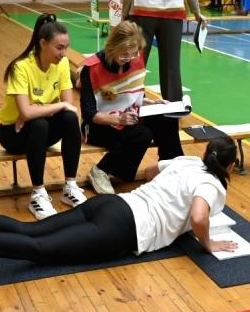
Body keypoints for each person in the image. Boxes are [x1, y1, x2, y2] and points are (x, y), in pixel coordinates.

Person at [0, 136, 241, 286]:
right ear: (229, 165)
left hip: (112, 203)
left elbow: (149, 171)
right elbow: (199, 216)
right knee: (38, 249)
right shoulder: (213, 185)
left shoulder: (187, 161)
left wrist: (165, 199)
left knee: (29, 230)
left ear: (206, 153)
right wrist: (207, 243)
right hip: (124, 229)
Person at [0, 13, 86, 220]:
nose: (64, 53)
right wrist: (52, 107)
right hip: (13, 133)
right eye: (59, 47)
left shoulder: (62, 64)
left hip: (39, 129)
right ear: (43, 43)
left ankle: (70, 187)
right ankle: (38, 194)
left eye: (66, 47)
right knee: (38, 123)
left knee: (69, 119)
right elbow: (26, 113)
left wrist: (39, 108)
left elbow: (69, 108)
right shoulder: (20, 67)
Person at [79, 21, 184, 195]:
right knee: (141, 134)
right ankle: (101, 170)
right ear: (113, 47)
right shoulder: (91, 68)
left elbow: (133, 95)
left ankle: (171, 168)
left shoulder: (137, 58)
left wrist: (152, 103)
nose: (129, 58)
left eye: (134, 53)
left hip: (128, 116)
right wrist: (118, 119)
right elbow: (89, 113)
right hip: (99, 125)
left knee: (166, 118)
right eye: (124, 54)